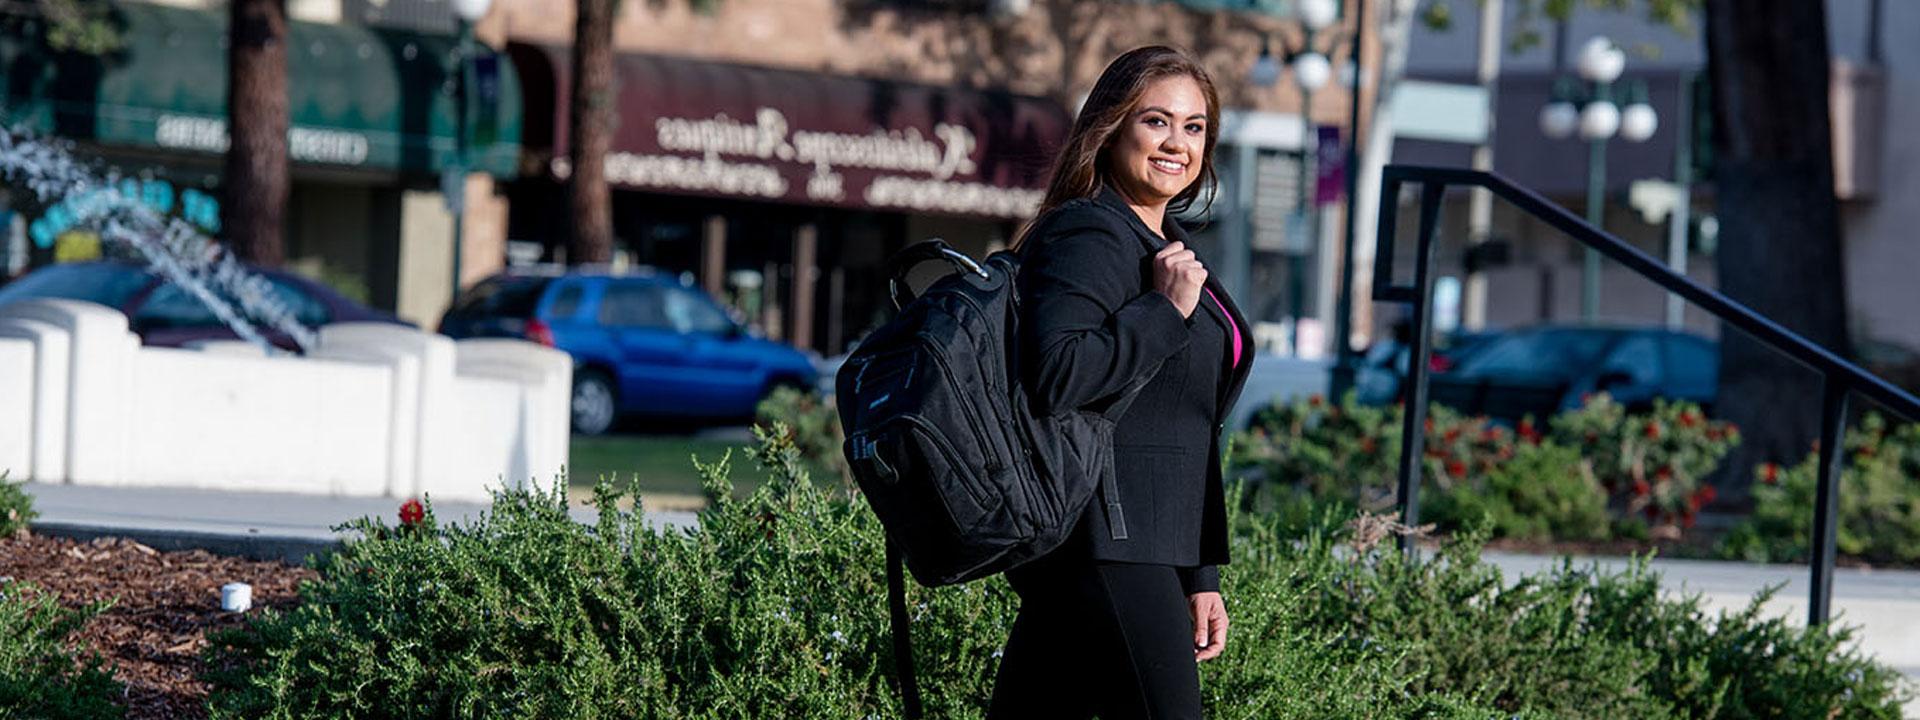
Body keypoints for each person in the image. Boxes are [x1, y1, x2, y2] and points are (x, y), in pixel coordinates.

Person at [989, 45, 1254, 719]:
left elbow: (1184, 424)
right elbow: (1060, 373)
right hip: (1103, 540)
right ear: (1112, 129)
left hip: (1138, 542)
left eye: (1194, 128)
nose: (1178, 143)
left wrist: (1199, 573)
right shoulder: (1090, 233)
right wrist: (1163, 311)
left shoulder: (1160, 243)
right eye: (1157, 121)